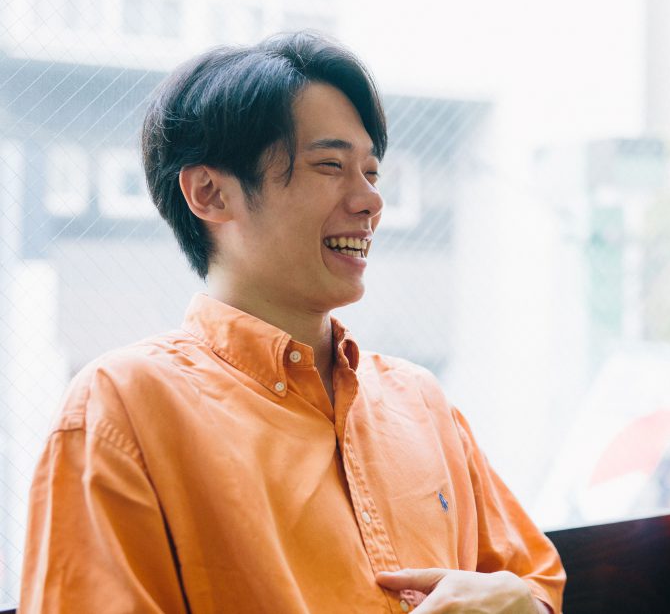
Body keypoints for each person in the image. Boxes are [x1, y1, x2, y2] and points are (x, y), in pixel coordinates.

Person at [19, 31, 565, 613]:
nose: (371, 201)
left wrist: (523, 604)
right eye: (331, 165)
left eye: (372, 172)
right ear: (210, 193)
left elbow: (535, 584)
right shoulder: (121, 407)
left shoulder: (421, 401)